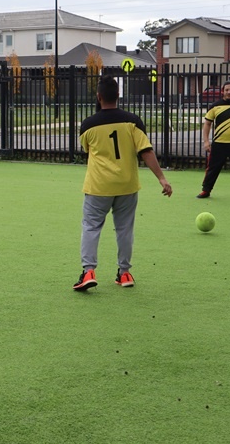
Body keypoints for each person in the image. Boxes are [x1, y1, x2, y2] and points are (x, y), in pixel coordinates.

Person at [72, 75, 172, 291]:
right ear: (118, 95)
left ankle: (88, 271)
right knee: (124, 229)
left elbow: (87, 151)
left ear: (98, 97)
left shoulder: (88, 125)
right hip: (127, 185)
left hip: (98, 186)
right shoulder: (133, 122)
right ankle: (125, 273)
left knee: (91, 227)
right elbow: (146, 150)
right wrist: (162, 178)